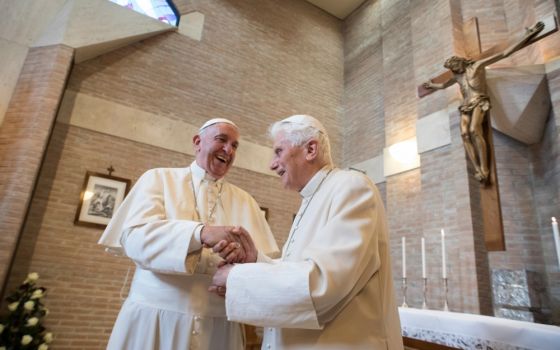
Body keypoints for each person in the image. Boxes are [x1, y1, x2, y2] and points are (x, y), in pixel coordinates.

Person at [209, 115, 403, 349]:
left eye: (278, 151)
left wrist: (236, 277)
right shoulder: (312, 198)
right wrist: (255, 261)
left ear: (311, 149)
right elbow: (300, 268)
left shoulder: (351, 186)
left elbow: (323, 284)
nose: (272, 164)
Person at [98, 118, 279, 350]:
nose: (228, 150)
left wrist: (239, 276)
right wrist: (200, 233)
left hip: (219, 328)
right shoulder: (158, 179)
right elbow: (135, 239)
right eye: (222, 140)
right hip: (154, 320)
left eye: (235, 146)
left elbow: (263, 263)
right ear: (197, 142)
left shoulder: (247, 202)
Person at [423, 21, 544, 183]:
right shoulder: (457, 76)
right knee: (464, 134)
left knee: (474, 130)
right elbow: (444, 85)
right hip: (465, 106)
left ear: (461, 62)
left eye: (455, 66)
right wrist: (432, 85)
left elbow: (504, 54)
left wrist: (527, 35)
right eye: (451, 69)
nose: (454, 70)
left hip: (479, 100)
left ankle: (485, 169)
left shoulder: (478, 65)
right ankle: (477, 168)